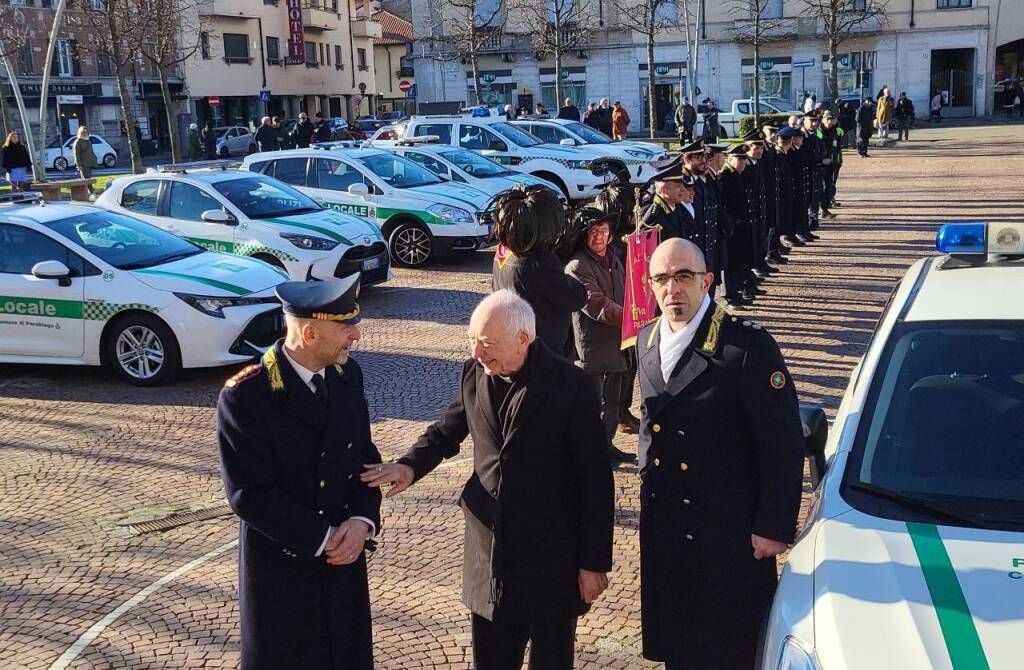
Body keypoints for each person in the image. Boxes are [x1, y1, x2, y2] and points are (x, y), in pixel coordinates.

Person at [364, 289, 614, 670]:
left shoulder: (572, 386)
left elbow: (596, 481)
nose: (478, 353)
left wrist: (593, 563)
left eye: (487, 343)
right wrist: (410, 466)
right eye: (472, 341)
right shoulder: (475, 372)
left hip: (551, 560)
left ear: (523, 339)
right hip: (490, 557)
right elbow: (446, 431)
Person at [637, 238, 804, 670]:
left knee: (729, 645)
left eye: (684, 277)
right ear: (650, 285)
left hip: (728, 533)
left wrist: (773, 526)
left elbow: (782, 444)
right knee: (680, 643)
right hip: (669, 526)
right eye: (662, 279)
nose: (673, 288)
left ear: (707, 281)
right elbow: (651, 422)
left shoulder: (745, 348)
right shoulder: (646, 341)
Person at [217, 275, 382, 668]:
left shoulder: (347, 375)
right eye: (346, 327)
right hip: (284, 574)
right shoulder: (246, 396)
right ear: (310, 334)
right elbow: (249, 494)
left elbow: (364, 457)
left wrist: (361, 521)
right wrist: (324, 537)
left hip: (344, 563)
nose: (355, 336)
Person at [566, 210, 634, 465]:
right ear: (585, 236)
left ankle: (607, 445)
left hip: (618, 343)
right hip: (593, 346)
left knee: (614, 402)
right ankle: (593, 452)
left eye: (603, 232)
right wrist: (630, 317)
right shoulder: (577, 266)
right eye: (594, 233)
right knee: (593, 405)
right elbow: (595, 303)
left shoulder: (614, 257)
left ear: (610, 235)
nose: (599, 238)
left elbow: (629, 290)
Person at [491, 185, 587, 357]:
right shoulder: (538, 263)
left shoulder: (503, 252)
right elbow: (576, 297)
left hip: (516, 345)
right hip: (545, 353)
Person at [73, 126, 98, 195]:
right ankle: (91, 192)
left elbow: (91, 151)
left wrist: (94, 160)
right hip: (83, 164)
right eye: (83, 132)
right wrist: (79, 165)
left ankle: (88, 192)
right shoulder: (78, 142)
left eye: (86, 132)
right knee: (86, 179)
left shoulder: (88, 141)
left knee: (88, 178)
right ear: (80, 133)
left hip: (90, 163)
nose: (85, 133)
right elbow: (76, 154)